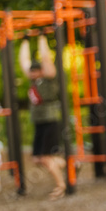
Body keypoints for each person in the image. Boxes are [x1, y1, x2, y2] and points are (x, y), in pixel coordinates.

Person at [19, 35, 67, 200]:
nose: (32, 72)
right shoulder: (34, 81)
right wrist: (25, 41)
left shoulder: (48, 78)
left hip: (50, 120)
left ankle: (61, 185)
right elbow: (24, 62)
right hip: (40, 122)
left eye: (35, 70)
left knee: (46, 157)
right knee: (37, 158)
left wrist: (41, 39)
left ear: (41, 70)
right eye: (31, 71)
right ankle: (70, 164)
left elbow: (46, 59)